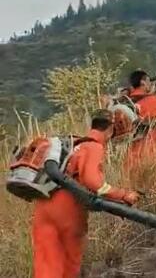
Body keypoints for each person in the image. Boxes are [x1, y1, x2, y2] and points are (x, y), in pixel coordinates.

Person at [32, 109, 140, 278]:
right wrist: (123, 195)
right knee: (69, 264)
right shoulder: (94, 147)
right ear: (110, 129)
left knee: (46, 266)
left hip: (45, 205)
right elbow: (91, 180)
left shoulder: (74, 145)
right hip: (68, 209)